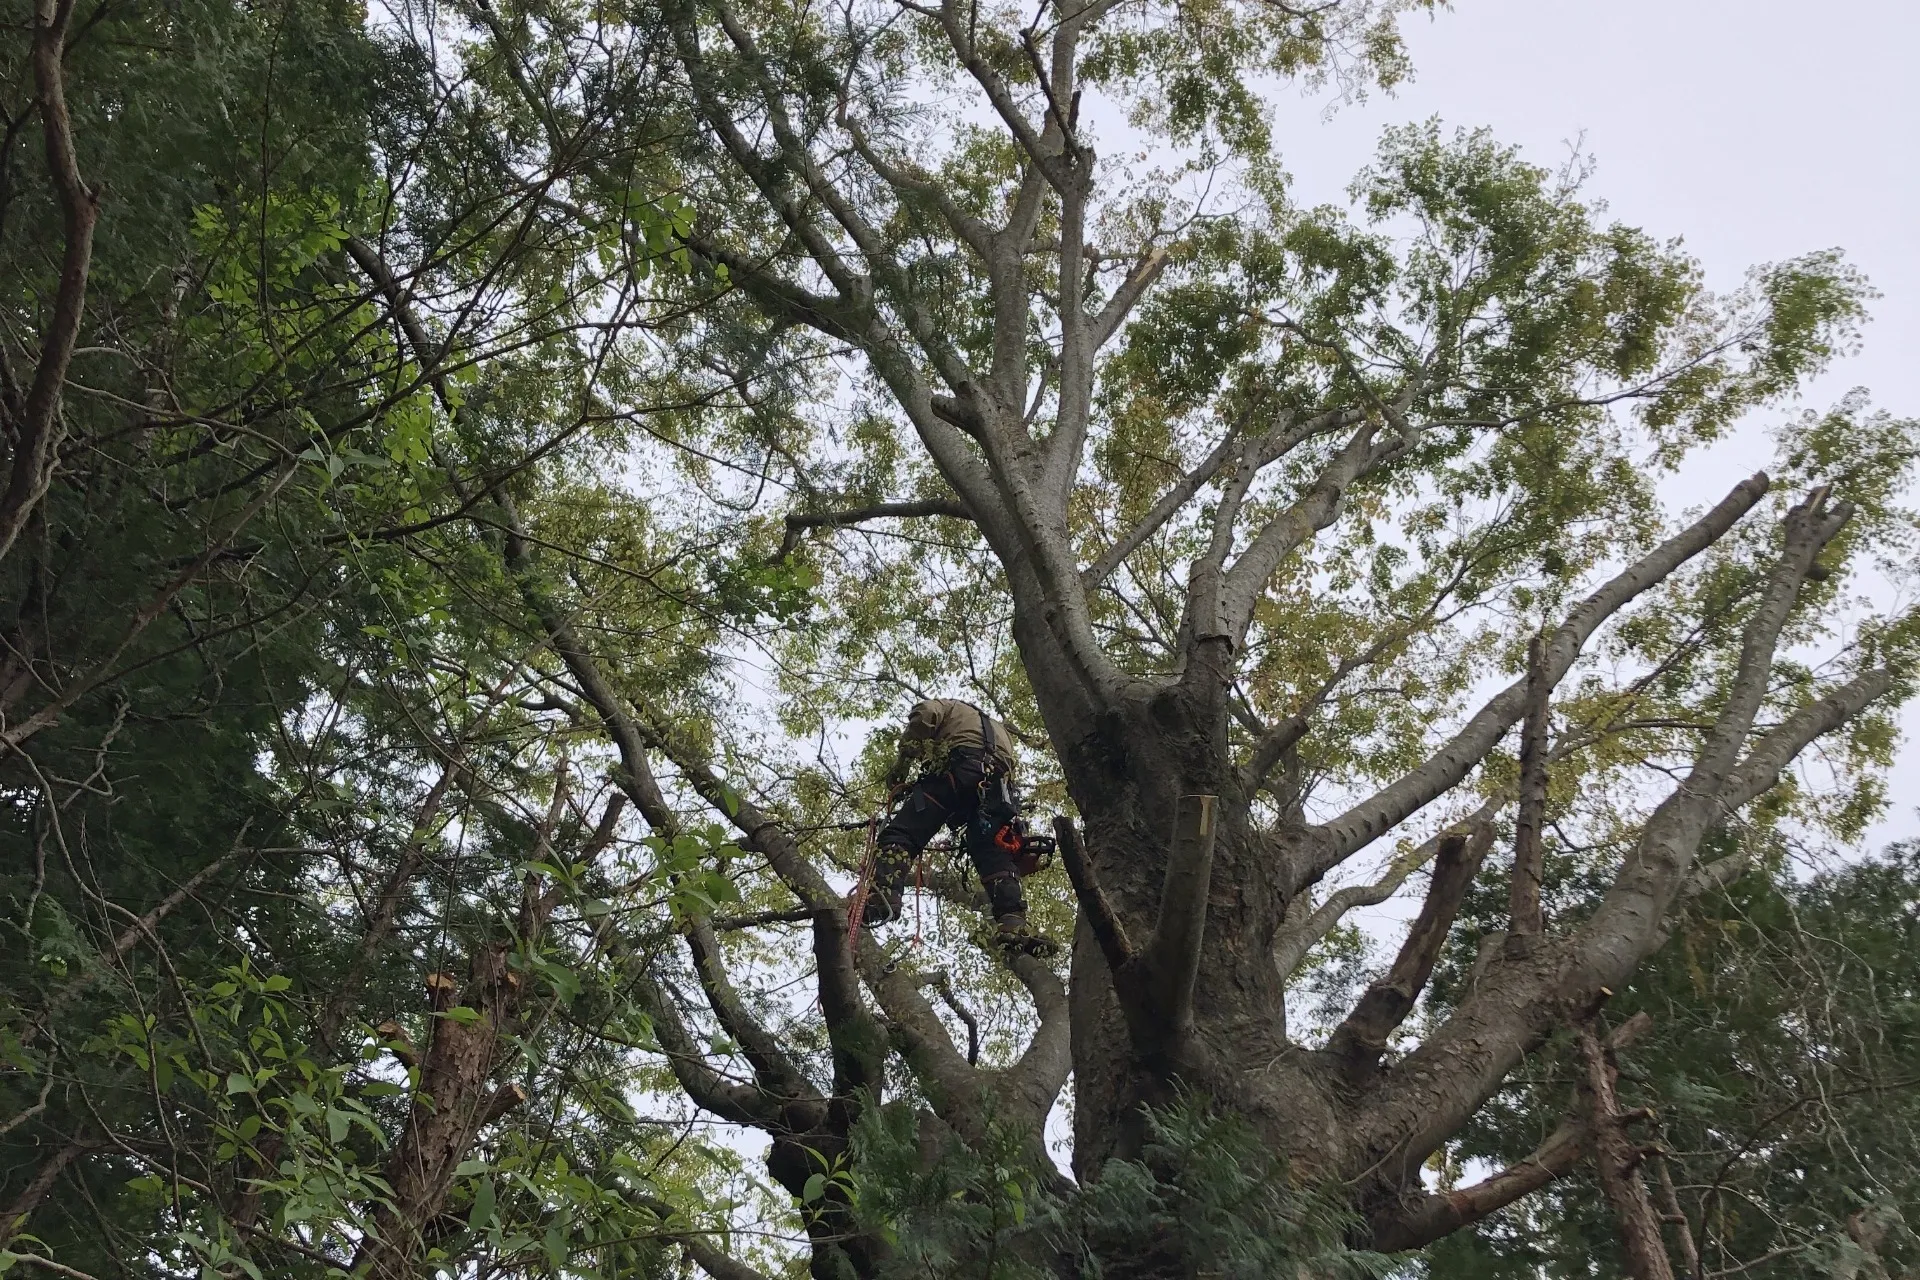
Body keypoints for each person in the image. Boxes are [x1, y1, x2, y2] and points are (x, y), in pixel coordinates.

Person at [863, 698, 1054, 954]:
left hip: (957, 771)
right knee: (993, 855)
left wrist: (904, 762)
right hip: (998, 793)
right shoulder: (1001, 731)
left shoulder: (948, 706)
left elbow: (925, 715)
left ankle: (884, 895)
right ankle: (1013, 923)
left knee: (901, 833)